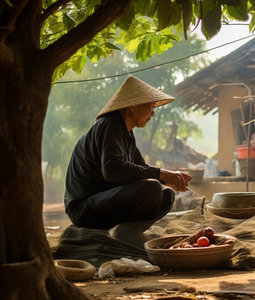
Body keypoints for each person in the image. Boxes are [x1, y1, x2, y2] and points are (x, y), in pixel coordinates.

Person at [64, 76, 191, 247]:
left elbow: (141, 167)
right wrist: (161, 174)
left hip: (103, 202)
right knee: (152, 187)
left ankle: (129, 233)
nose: (153, 113)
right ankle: (127, 237)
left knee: (166, 195)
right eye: (150, 107)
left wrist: (168, 178)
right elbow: (113, 170)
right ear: (133, 105)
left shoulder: (125, 132)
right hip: (83, 208)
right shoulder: (109, 124)